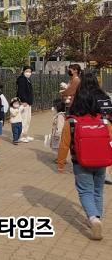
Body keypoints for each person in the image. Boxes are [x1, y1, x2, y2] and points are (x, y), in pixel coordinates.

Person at [56, 71, 112, 241]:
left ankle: (93, 219)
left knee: (85, 191)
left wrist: (60, 163)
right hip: (101, 161)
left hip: (80, 161)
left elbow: (64, 144)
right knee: (98, 190)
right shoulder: (104, 121)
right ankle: (97, 217)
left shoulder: (71, 121)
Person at [17, 66, 35, 143]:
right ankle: (21, 136)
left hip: (28, 102)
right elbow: (21, 91)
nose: (28, 73)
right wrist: (23, 101)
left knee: (28, 119)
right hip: (24, 102)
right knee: (23, 119)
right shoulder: (22, 79)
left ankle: (25, 135)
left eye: (30, 71)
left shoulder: (27, 79)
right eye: (27, 71)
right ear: (23, 71)